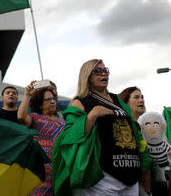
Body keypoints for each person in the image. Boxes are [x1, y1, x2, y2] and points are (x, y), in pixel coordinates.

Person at [52, 59, 153, 196]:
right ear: (87, 75)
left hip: (131, 173)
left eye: (106, 71)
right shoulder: (79, 102)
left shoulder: (118, 101)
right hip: (103, 177)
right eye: (98, 71)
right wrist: (91, 116)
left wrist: (145, 168)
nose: (103, 74)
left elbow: (136, 134)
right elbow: (69, 138)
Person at [18, 82, 65, 196]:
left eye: (53, 99)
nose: (52, 101)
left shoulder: (62, 119)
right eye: (48, 100)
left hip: (61, 166)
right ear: (40, 104)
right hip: (43, 168)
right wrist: (27, 95)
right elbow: (21, 117)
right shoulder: (36, 118)